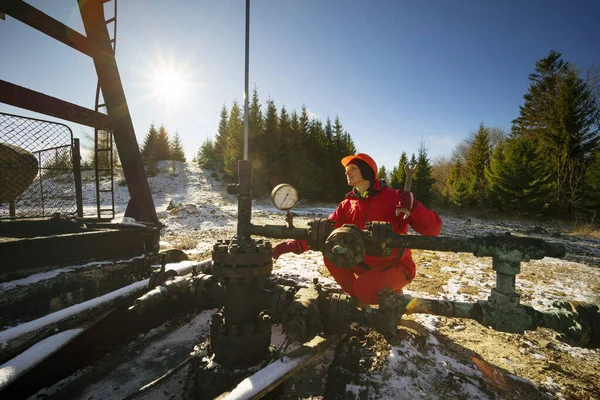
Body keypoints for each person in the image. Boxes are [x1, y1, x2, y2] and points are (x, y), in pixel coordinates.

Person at [272, 153, 442, 305]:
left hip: (396, 266)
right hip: (361, 263)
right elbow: (325, 231)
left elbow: (433, 230)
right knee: (331, 256)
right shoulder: (348, 204)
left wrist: (415, 208)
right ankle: (362, 298)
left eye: (353, 168)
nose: (347, 172)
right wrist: (291, 245)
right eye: (346, 169)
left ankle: (392, 301)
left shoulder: (396, 198)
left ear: (367, 171)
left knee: (365, 289)